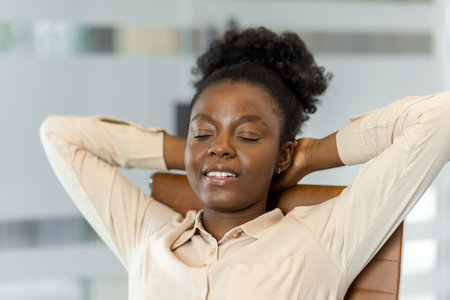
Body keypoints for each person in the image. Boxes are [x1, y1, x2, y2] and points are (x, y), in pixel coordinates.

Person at [40, 27, 450, 300]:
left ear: (282, 154)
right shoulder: (147, 237)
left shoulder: (323, 239)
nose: (219, 148)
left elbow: (440, 117)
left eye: (247, 135)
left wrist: (311, 156)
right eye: (203, 132)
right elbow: (60, 135)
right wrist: (193, 151)